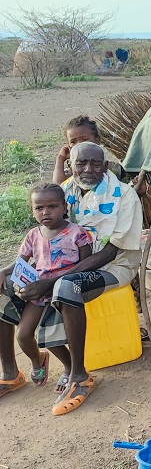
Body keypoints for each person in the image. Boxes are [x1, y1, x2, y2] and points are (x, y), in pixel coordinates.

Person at [0, 142, 143, 415]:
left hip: (113, 266)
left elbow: (110, 252)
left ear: (105, 165)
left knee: (66, 286)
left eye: (95, 163)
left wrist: (50, 281)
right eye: (81, 163)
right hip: (61, 270)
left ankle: (79, 375)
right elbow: (36, 245)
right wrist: (5, 272)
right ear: (70, 165)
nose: (88, 168)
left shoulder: (124, 196)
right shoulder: (65, 190)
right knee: (2, 285)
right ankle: (10, 372)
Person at [0, 183, 92, 394]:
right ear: (32, 211)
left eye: (52, 206)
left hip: (63, 290)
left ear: (64, 207)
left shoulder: (76, 233)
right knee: (23, 335)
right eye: (39, 208)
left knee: (49, 337)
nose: (46, 212)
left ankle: (70, 368)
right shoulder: (33, 235)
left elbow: (85, 265)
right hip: (38, 292)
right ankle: (37, 361)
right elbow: (20, 263)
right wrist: (3, 271)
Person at [52, 116, 126, 184]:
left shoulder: (109, 168)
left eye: (84, 139)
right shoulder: (72, 170)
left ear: (97, 141)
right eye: (73, 142)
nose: (79, 144)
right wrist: (60, 159)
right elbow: (59, 184)